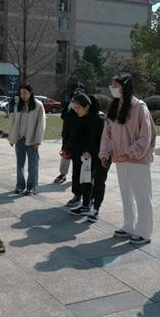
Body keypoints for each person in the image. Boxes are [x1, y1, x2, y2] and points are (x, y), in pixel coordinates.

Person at [99, 73, 156, 245]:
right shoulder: (114, 108)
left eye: (115, 85)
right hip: (120, 160)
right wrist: (105, 153)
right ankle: (129, 225)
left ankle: (144, 232)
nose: (112, 88)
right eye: (112, 85)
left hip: (138, 160)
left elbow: (145, 136)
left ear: (125, 86)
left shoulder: (140, 107)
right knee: (126, 194)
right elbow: (107, 135)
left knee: (142, 195)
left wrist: (131, 152)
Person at [65, 93, 110, 223]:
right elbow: (79, 138)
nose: (76, 110)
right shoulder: (81, 118)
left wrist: (92, 152)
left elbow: (104, 142)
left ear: (87, 107)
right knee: (85, 180)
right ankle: (85, 206)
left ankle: (96, 210)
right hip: (87, 156)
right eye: (74, 108)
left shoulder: (99, 120)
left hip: (102, 156)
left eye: (78, 108)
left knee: (99, 182)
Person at [8, 84, 46, 195]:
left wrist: (38, 140)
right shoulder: (18, 105)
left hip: (32, 140)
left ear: (30, 92)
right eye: (21, 93)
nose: (23, 95)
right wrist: (12, 138)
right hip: (20, 139)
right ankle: (20, 186)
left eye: (25, 93)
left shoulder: (38, 105)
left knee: (33, 165)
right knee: (19, 164)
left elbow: (41, 123)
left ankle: (31, 187)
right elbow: (14, 122)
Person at [55, 84, 85, 185]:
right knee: (65, 154)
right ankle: (62, 174)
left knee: (79, 158)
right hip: (68, 136)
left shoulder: (84, 108)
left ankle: (77, 175)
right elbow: (63, 116)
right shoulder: (69, 106)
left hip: (80, 137)